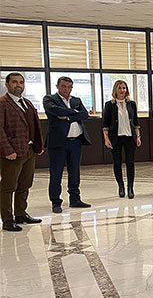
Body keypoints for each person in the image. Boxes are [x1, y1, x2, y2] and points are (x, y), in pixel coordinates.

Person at [0, 73, 44, 231]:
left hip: (29, 150)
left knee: (25, 184)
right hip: (12, 153)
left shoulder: (27, 103)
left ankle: (20, 214)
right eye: (14, 82)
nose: (18, 85)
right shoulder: (2, 103)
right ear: (7, 84)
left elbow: (34, 125)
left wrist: (38, 145)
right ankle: (7, 219)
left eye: (21, 82)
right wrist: (7, 150)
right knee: (8, 186)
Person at [44, 76, 92, 213]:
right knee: (56, 173)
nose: (66, 89)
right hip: (58, 143)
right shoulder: (49, 99)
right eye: (63, 86)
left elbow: (85, 114)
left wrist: (68, 117)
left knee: (74, 172)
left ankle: (75, 199)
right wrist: (74, 112)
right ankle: (56, 202)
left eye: (69, 87)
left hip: (76, 141)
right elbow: (55, 110)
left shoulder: (76, 100)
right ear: (57, 86)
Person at [102, 80, 141, 199]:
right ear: (115, 89)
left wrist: (138, 136)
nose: (122, 90)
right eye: (120, 88)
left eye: (124, 88)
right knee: (117, 162)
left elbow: (136, 122)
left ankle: (130, 188)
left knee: (130, 163)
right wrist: (106, 138)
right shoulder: (109, 105)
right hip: (115, 138)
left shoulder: (131, 104)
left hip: (130, 137)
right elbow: (105, 124)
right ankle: (121, 186)